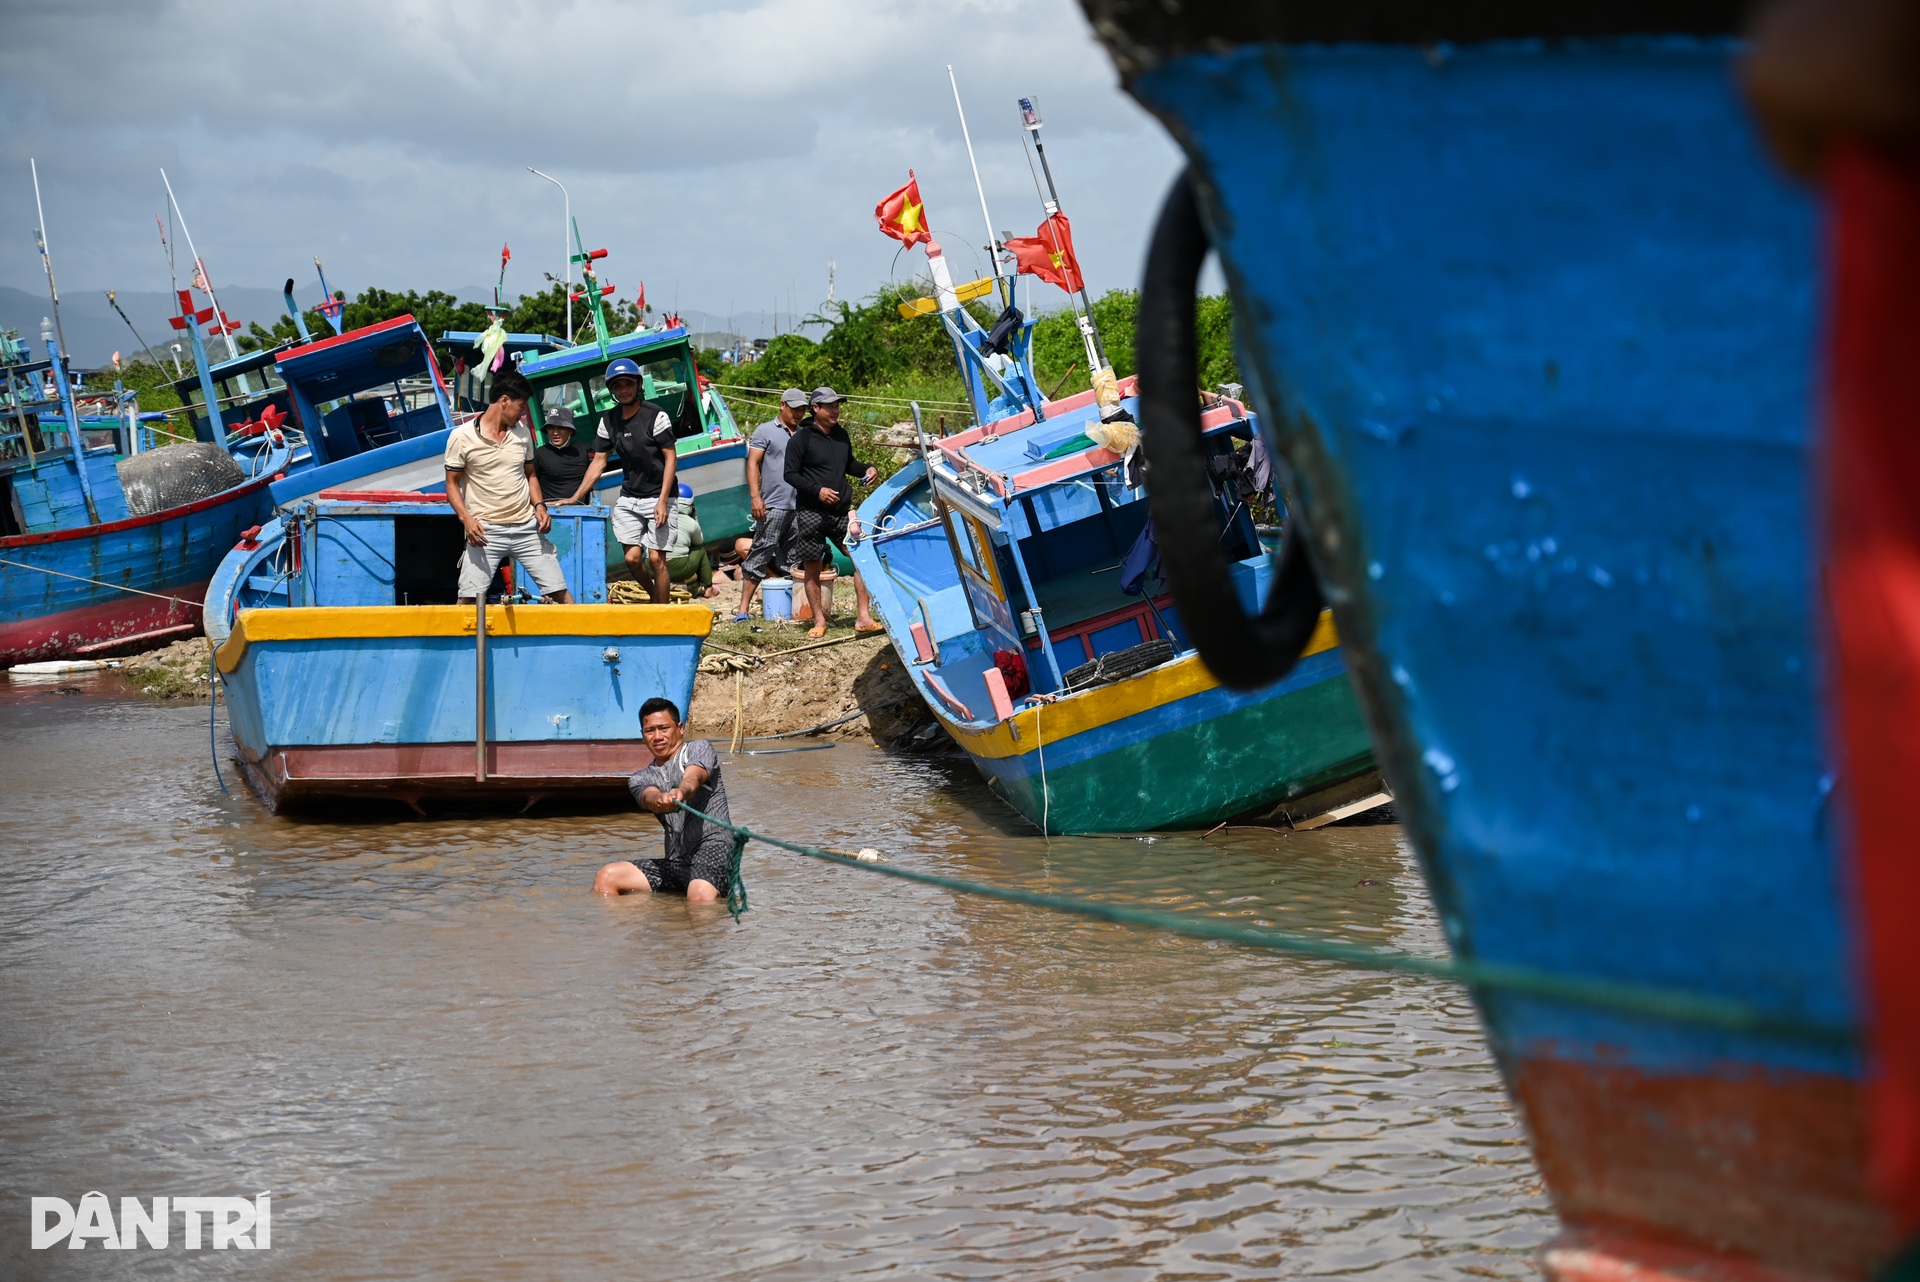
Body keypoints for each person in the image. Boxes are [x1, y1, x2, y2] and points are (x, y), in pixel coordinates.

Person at [444, 368, 573, 604]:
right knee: (467, 601)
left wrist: (540, 506)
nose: (522, 414)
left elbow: (531, 475)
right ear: (504, 401)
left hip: (527, 529)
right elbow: (451, 483)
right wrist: (466, 519)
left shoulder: (522, 434)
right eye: (521, 406)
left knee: (562, 596)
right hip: (484, 532)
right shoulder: (461, 436)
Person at [592, 698, 733, 902]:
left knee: (699, 895)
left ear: (680, 728)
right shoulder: (640, 778)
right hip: (676, 861)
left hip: (714, 850)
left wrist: (681, 792)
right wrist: (659, 799)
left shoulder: (699, 749)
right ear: (642, 735)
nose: (657, 737)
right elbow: (647, 796)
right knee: (607, 877)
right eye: (650, 731)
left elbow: (693, 778)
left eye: (664, 728)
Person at [569, 358, 677, 602]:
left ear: (638, 385)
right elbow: (599, 462)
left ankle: (663, 612)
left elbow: (671, 457)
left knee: (656, 559)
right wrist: (575, 497)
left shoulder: (656, 416)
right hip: (630, 496)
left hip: (661, 494)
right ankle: (655, 598)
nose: (624, 389)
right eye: (617, 386)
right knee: (632, 558)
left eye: (628, 383)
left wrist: (663, 501)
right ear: (612, 390)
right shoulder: (608, 421)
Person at [783, 386, 881, 638]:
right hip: (811, 512)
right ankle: (818, 620)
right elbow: (790, 474)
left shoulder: (841, 435)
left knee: (862, 559)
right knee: (812, 567)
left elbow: (849, 464)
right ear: (816, 408)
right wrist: (817, 491)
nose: (835, 410)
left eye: (837, 405)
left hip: (840, 512)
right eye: (830, 406)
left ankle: (863, 617)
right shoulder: (801, 438)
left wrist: (867, 469)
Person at [733, 387, 809, 621]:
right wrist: (756, 497)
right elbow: (752, 464)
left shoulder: (804, 434)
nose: (798, 414)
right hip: (773, 504)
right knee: (760, 552)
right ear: (782, 405)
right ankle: (743, 610)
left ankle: (787, 609)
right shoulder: (765, 430)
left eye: (802, 410)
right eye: (794, 409)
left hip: (800, 506)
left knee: (793, 559)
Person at [663, 484, 718, 597]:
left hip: (652, 567)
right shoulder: (690, 523)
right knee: (700, 550)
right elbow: (698, 542)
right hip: (677, 568)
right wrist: (694, 518)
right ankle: (708, 588)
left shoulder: (659, 515)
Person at [532, 404, 592, 505]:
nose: (555, 433)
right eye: (551, 428)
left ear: (570, 431)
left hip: (583, 510)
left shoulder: (581, 452)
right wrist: (539, 505)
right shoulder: (539, 454)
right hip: (551, 510)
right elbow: (531, 483)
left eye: (560, 428)